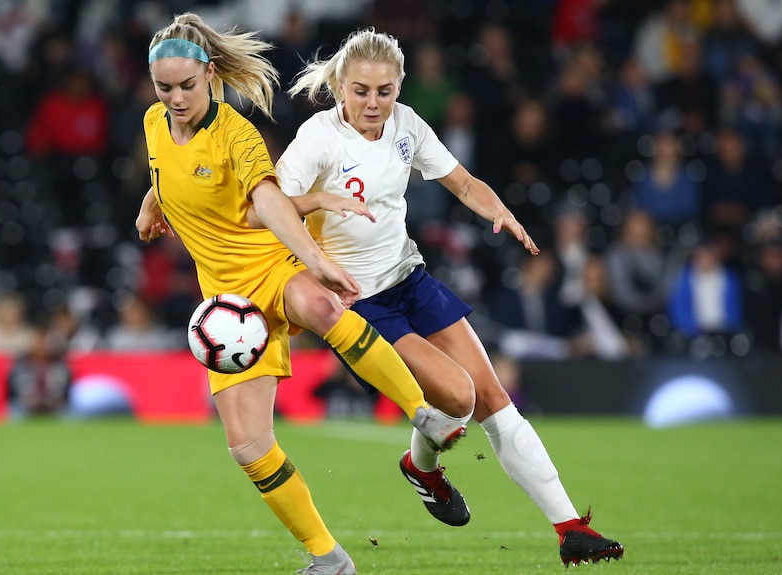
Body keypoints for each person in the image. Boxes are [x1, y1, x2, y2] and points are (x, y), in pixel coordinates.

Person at [268, 28, 624, 567]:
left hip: (410, 278)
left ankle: (570, 527)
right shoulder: (319, 137)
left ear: (399, 87)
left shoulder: (407, 125)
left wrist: (497, 208)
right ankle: (423, 469)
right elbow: (271, 204)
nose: (373, 103)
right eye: (361, 91)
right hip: (357, 301)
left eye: (384, 91)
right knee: (458, 401)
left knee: (493, 397)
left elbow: (461, 182)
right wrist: (319, 198)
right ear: (340, 85)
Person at [133, 14, 467, 575]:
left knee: (319, 305)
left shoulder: (237, 134)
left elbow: (266, 202)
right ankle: (328, 558)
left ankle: (423, 412)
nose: (175, 97)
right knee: (247, 447)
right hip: (225, 301)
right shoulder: (154, 123)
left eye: (186, 86)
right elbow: (167, 168)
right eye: (164, 88)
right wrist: (151, 204)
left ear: (210, 75)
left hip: (269, 262)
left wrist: (315, 259)